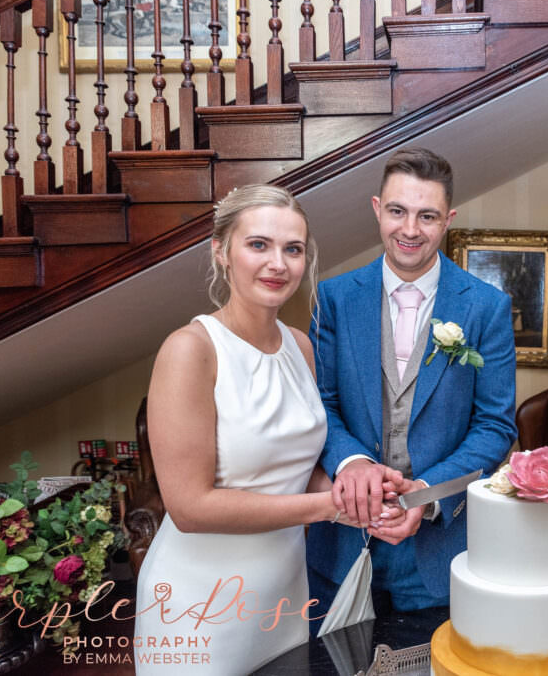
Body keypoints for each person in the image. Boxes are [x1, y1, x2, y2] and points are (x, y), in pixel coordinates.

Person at [132, 184, 406, 674]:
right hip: (201, 603)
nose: (278, 263)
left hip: (282, 596)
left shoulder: (299, 347)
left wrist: (357, 491)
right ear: (221, 252)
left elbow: (295, 468)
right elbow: (190, 507)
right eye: (258, 244)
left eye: (293, 249)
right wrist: (331, 507)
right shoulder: (190, 351)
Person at [307, 147, 518, 625]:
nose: (409, 229)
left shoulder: (486, 306)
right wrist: (354, 462)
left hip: (439, 552)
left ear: (448, 221)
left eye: (427, 216)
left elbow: (494, 426)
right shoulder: (333, 298)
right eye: (398, 211)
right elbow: (321, 402)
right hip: (341, 540)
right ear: (378, 209)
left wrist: (424, 495)